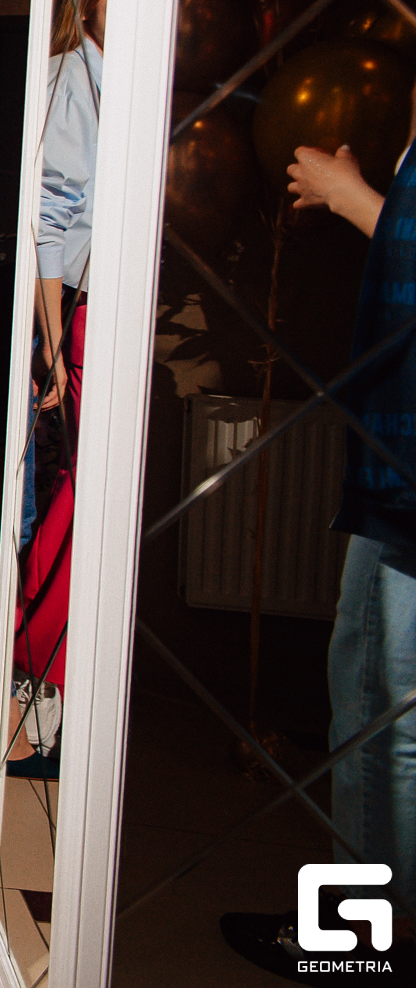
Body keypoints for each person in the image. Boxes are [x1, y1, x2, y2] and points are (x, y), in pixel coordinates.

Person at [219, 108, 416, 975]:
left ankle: (372, 940)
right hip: (395, 461)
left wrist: (354, 199)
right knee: (370, 694)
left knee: (388, 711)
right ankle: (368, 929)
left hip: (409, 474)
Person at [6, 0, 108, 781]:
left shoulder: (128, 80)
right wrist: (52, 345)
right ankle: (41, 694)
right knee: (74, 509)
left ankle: (60, 697)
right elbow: (51, 216)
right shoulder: (73, 75)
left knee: (90, 510)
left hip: (109, 317)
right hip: (82, 314)